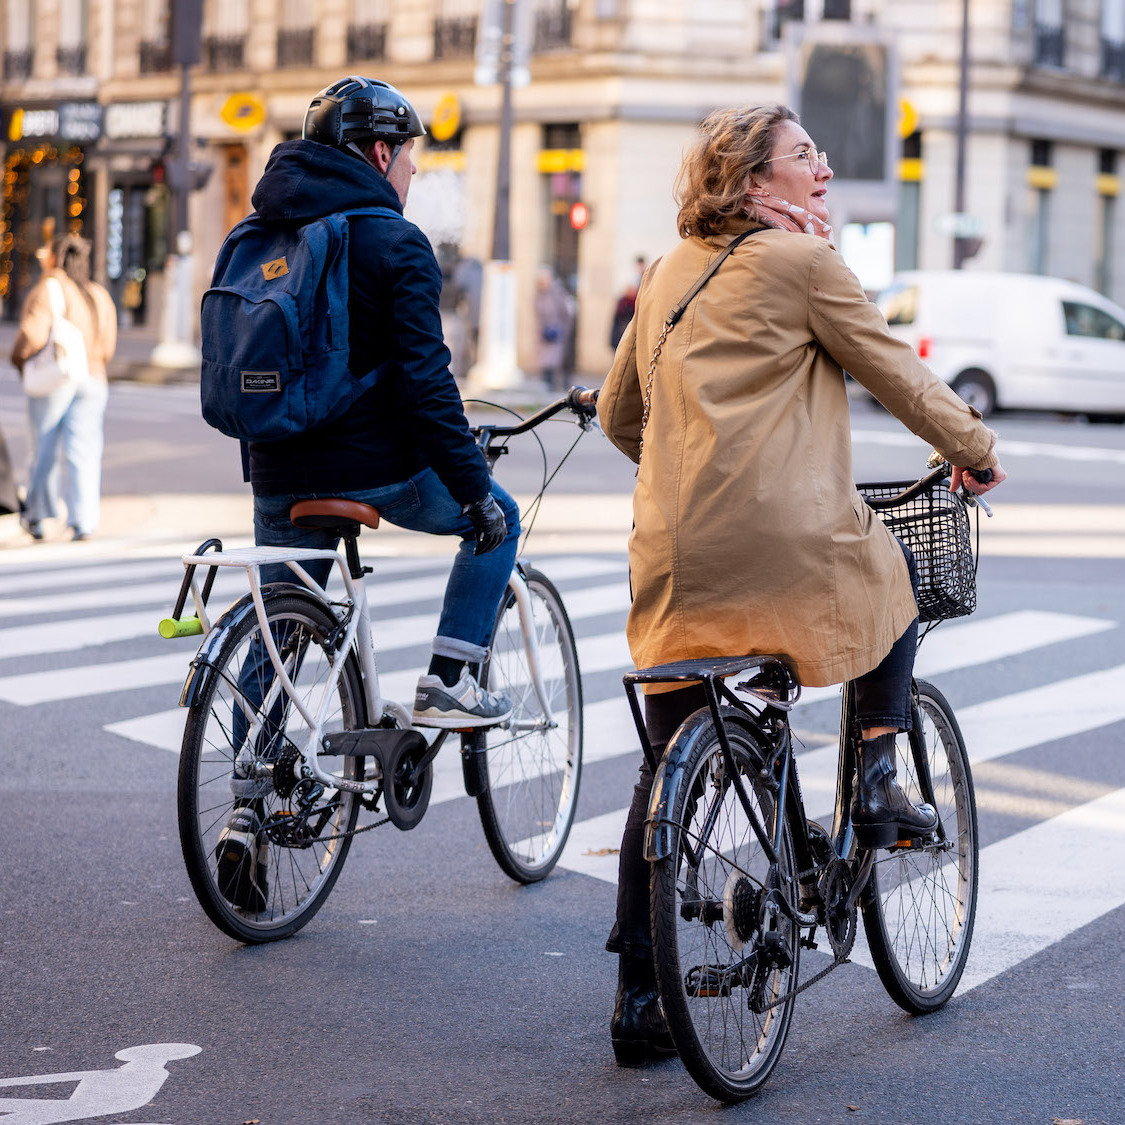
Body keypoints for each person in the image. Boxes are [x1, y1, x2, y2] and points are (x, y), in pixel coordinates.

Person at [596, 104, 1006, 1066]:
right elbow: (897, 375)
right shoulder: (807, 266)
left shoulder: (663, 274)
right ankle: (872, 777)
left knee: (664, 767)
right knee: (895, 574)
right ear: (753, 185)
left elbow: (622, 416)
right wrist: (974, 451)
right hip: (786, 542)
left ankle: (638, 1002)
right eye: (802, 156)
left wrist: (696, 472)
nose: (821, 167)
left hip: (667, 554)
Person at [214, 76, 521, 908]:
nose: (415, 172)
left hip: (278, 472)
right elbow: (427, 387)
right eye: (412, 155)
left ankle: (242, 812)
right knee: (500, 519)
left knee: (276, 638)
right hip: (373, 468)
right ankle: (451, 676)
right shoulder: (395, 239)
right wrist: (475, 487)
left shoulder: (255, 228)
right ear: (380, 152)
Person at [10, 234, 117, 541]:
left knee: (43, 447)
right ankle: (83, 520)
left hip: (59, 376)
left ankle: (38, 517)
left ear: (55, 259)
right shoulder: (98, 293)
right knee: (83, 450)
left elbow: (31, 334)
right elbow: (109, 343)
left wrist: (19, 360)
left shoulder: (51, 288)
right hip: (95, 376)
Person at [533, 266, 574, 391]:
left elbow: (567, 312)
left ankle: (560, 384)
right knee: (546, 358)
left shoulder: (558, 293)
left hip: (557, 330)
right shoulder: (538, 295)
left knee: (556, 358)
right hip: (545, 331)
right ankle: (547, 383)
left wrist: (563, 328)